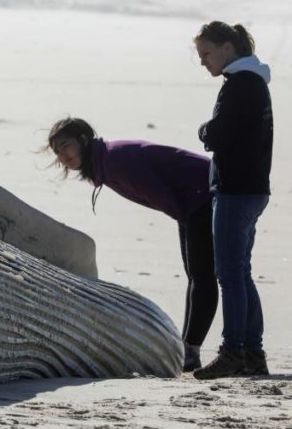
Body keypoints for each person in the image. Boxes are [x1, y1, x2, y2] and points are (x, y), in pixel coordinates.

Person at [47, 118, 217, 372]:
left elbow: (161, 194)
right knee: (196, 275)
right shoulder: (106, 161)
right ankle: (189, 351)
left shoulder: (113, 160)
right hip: (195, 198)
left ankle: (191, 351)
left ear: (83, 140)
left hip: (206, 192)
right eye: (57, 152)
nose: (62, 157)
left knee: (202, 276)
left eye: (65, 146)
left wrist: (193, 223)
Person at [192, 21, 274, 380]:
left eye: (206, 53)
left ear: (228, 47)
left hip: (236, 191)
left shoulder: (239, 85)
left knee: (229, 274)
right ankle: (252, 353)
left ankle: (233, 351)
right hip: (254, 189)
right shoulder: (254, 83)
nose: (203, 61)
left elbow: (218, 135)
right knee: (240, 272)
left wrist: (203, 130)